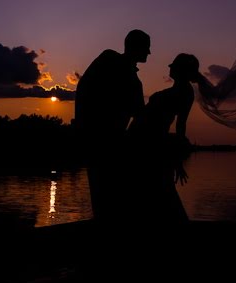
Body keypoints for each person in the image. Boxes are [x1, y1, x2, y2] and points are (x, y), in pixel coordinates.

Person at [74, 29, 151, 222]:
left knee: (107, 196)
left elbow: (139, 115)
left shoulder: (131, 78)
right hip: (104, 141)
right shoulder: (112, 62)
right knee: (107, 195)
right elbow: (84, 89)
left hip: (109, 142)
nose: (149, 52)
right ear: (136, 47)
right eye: (146, 47)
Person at [128, 53, 207, 224]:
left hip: (151, 145)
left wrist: (177, 161)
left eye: (174, 66)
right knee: (151, 192)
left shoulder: (185, 92)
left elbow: (180, 126)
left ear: (181, 71)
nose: (169, 68)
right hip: (142, 142)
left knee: (160, 189)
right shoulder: (178, 91)